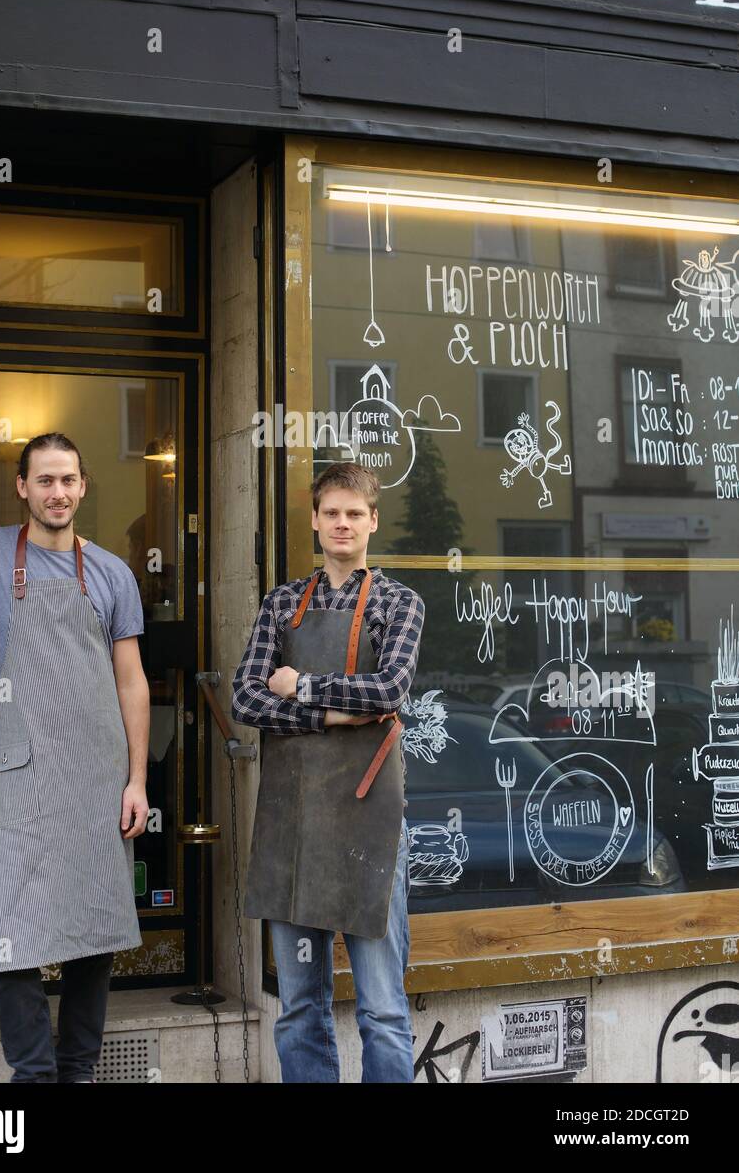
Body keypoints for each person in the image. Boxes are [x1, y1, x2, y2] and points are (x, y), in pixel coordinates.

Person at [0, 433, 150, 1084]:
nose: (57, 492)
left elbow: (131, 681)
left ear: (82, 488)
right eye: (44, 480)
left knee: (96, 925)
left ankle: (76, 1071)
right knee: (9, 924)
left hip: (96, 773)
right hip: (16, 772)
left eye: (68, 481)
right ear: (22, 487)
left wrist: (136, 780)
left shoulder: (111, 572)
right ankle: (35, 1073)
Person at [232, 461, 424, 1083]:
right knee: (298, 1008)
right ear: (314, 522)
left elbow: (389, 688)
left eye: (354, 514)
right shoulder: (282, 603)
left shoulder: (399, 603)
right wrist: (331, 717)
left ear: (373, 523)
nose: (342, 524)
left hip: (370, 828)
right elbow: (244, 699)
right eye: (331, 513)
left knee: (383, 1009)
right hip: (292, 823)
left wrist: (302, 686)